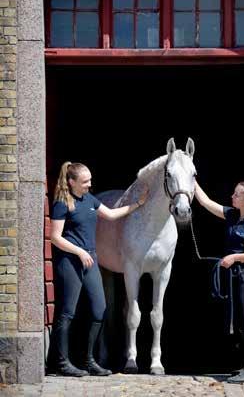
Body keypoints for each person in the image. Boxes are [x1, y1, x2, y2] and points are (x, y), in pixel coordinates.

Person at [47, 161, 148, 377]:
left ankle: (89, 360)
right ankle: (62, 362)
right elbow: (55, 237)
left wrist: (138, 204)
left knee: (98, 310)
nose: (89, 185)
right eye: (85, 182)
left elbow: (111, 215)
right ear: (71, 182)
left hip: (90, 259)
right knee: (67, 312)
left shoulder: (90, 199)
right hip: (71, 261)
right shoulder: (62, 203)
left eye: (90, 180)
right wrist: (79, 252)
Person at [194, 180, 244, 383]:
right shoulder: (232, 215)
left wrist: (234, 258)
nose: (232, 197)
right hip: (235, 276)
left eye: (236, 195)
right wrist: (191, 178)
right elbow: (205, 202)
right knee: (239, 322)